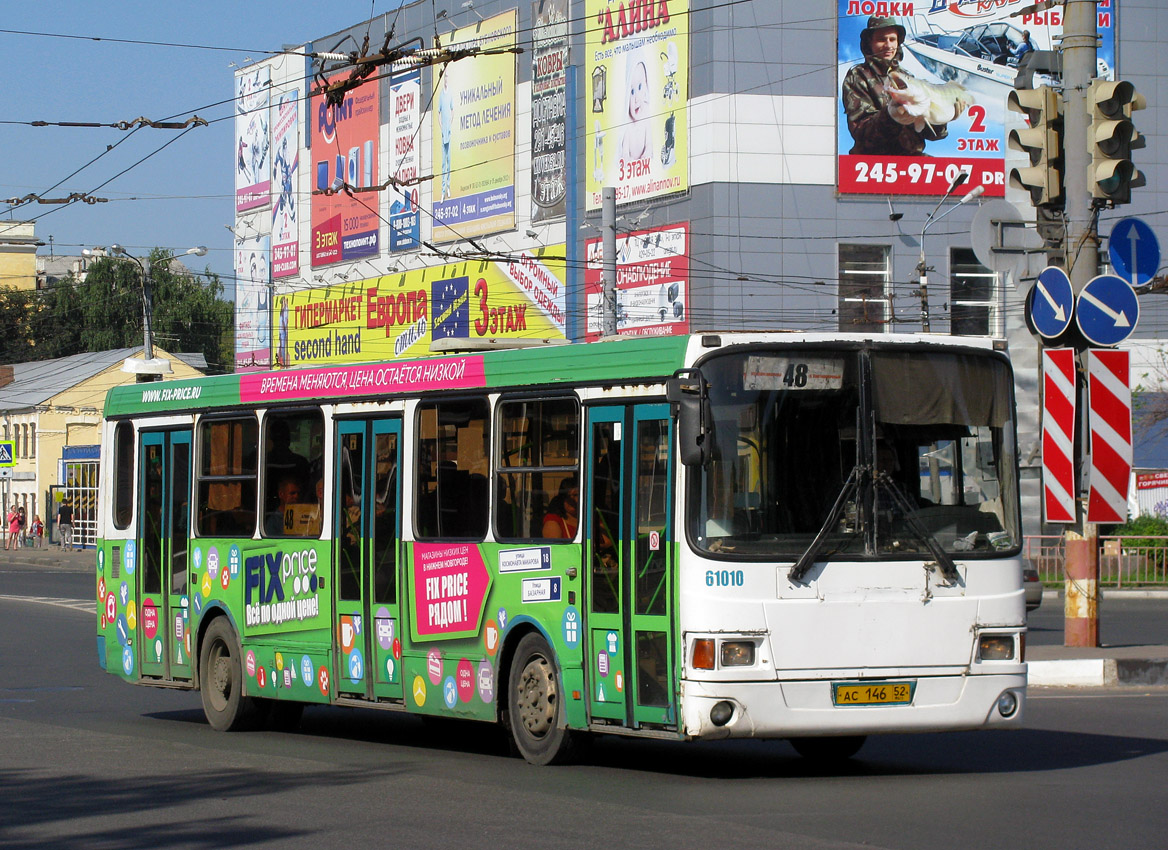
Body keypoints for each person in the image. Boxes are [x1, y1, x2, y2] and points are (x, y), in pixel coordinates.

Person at [842, 15, 952, 156]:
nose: (888, 45)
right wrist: (892, 115)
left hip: (910, 160)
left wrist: (942, 115)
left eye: (892, 39)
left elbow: (933, 135)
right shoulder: (857, 76)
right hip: (872, 162)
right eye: (882, 39)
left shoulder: (908, 78)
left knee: (957, 173)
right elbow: (862, 134)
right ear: (870, 42)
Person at [619, 55, 653, 165]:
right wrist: (627, 159)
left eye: (640, 87)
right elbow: (624, 153)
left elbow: (649, 144)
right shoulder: (627, 122)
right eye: (632, 92)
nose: (637, 98)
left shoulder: (646, 113)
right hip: (633, 172)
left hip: (646, 172)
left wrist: (646, 154)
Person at [437, 71, 454, 201]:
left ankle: (448, 186)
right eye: (445, 77)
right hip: (444, 132)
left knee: (449, 160)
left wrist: (449, 123)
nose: (446, 80)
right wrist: (442, 126)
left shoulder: (450, 94)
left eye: (448, 77)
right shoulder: (441, 95)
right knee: (444, 162)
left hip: (448, 131)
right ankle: (443, 189)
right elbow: (438, 112)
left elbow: (452, 110)